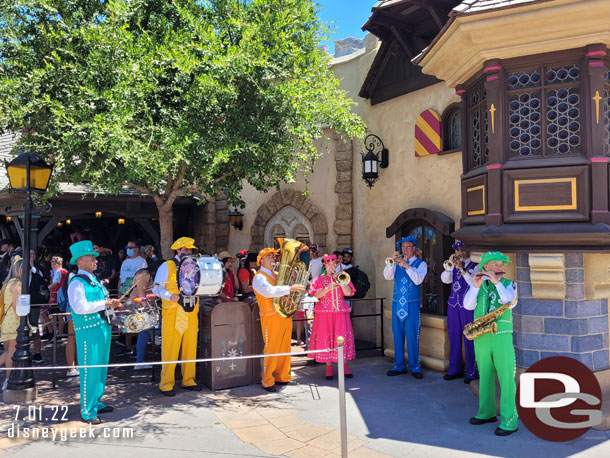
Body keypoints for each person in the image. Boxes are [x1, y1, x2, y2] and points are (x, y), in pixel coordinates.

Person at [464, 251, 518, 437]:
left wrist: (496, 282)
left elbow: (509, 302)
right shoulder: (477, 284)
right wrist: (476, 287)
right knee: (485, 375)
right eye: (495, 265)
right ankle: (486, 413)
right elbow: (468, 305)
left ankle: (509, 421)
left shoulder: (509, 284)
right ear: (485, 267)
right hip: (481, 336)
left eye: (501, 265)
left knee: (506, 378)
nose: (500, 268)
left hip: (501, 335)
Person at [67, 240, 121, 424]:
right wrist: (105, 303)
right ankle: (87, 410)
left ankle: (96, 402)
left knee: (101, 368)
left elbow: (101, 302)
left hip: (101, 327)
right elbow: (79, 307)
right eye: (92, 258)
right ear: (80, 261)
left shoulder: (94, 281)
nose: (96, 261)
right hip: (88, 331)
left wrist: (112, 303)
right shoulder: (76, 282)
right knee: (90, 369)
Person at [153, 237, 203, 396]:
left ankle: (189, 380)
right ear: (178, 250)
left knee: (190, 348)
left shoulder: (195, 266)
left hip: (190, 312)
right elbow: (156, 289)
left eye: (190, 250)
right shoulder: (166, 266)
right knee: (170, 349)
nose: (189, 252)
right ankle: (166, 384)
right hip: (173, 313)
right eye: (186, 250)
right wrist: (169, 296)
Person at [252, 247, 305, 392]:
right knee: (272, 348)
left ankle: (283, 376)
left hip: (283, 315)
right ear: (261, 260)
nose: (273, 258)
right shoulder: (259, 277)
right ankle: (267, 380)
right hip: (270, 317)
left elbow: (284, 290)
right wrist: (289, 288)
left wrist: (293, 278)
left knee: (284, 347)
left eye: (273, 256)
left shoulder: (276, 275)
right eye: (269, 256)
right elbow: (268, 292)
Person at [383, 236, 427, 379]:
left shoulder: (421, 264)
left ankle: (415, 366)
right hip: (397, 304)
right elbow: (387, 276)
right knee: (398, 335)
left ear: (414, 248)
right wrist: (391, 262)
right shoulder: (395, 263)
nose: (405, 250)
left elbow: (418, 280)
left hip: (412, 304)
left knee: (413, 335)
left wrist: (407, 266)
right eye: (403, 247)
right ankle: (399, 365)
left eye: (408, 247)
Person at [308, 254, 356, 380]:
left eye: (335, 264)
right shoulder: (318, 280)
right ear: (325, 266)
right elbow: (317, 295)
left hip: (340, 311)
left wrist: (340, 281)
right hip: (324, 312)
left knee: (341, 337)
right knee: (327, 337)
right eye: (330, 264)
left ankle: (345, 366)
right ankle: (328, 367)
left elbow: (348, 293)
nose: (332, 266)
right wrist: (328, 288)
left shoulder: (343, 277)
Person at [441, 241, 478, 384]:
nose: (460, 252)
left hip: (467, 307)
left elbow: (473, 284)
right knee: (454, 337)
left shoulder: (476, 266)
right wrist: (450, 267)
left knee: (470, 338)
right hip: (453, 305)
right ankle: (454, 369)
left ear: (469, 250)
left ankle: (471, 371)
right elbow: (445, 280)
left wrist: (462, 269)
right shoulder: (454, 266)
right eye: (458, 250)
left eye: (463, 249)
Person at [117, 241, 147, 357]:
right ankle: (128, 347)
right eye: (127, 247)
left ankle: (138, 349)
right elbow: (121, 278)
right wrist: (119, 292)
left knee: (137, 321)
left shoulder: (142, 261)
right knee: (126, 321)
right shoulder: (125, 262)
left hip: (135, 294)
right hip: (125, 293)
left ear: (136, 249)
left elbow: (143, 278)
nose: (127, 249)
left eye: (129, 247)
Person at [0, 258, 22, 390]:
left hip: (5, 320)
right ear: (20, 270)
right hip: (13, 320)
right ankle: (8, 380)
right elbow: (16, 307)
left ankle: (8, 379)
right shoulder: (17, 284)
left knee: (7, 351)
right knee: (11, 352)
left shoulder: (7, 283)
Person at [40, 256, 68, 340]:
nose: (52, 265)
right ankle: (58, 333)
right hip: (62, 295)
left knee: (45, 312)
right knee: (59, 315)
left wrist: (47, 288)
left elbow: (55, 283)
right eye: (52, 263)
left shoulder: (58, 272)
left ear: (59, 264)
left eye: (54, 263)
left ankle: (53, 333)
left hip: (55, 295)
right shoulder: (64, 271)